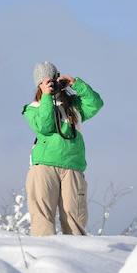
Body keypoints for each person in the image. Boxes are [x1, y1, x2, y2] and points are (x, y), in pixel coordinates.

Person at [22, 62, 104, 236]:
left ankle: (76, 258)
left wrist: (76, 83)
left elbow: (96, 103)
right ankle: (43, 258)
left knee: (75, 219)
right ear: (39, 85)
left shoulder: (74, 106)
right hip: (43, 166)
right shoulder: (33, 108)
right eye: (46, 82)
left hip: (73, 166)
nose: (52, 84)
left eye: (54, 80)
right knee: (42, 219)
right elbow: (46, 126)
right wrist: (46, 97)